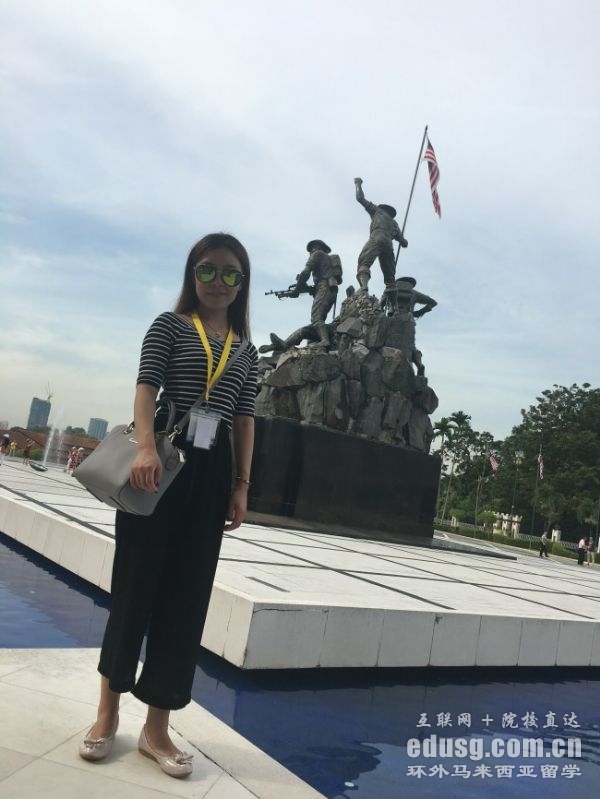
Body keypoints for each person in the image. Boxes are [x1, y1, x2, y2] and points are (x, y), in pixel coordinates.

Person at [79, 233, 258, 779]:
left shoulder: (247, 350)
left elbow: (244, 419)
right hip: (159, 462)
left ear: (242, 283)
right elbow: (146, 387)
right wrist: (145, 447)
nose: (218, 282)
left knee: (187, 598)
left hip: (211, 473)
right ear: (191, 273)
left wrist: (242, 483)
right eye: (208, 270)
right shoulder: (170, 326)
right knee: (134, 587)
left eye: (230, 273)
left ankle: (156, 729)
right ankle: (107, 714)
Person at [259, 239, 342, 352]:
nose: (310, 253)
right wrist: (306, 289)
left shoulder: (317, 254)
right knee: (313, 324)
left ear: (315, 248)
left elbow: (305, 272)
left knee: (316, 318)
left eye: (311, 250)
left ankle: (324, 341)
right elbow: (316, 286)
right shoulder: (326, 262)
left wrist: (297, 290)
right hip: (328, 288)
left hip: (324, 287)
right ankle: (284, 344)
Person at [354, 177, 408, 291]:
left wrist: (358, 183)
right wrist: (402, 240)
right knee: (390, 279)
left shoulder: (377, 211)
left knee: (363, 263)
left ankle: (364, 286)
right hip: (388, 245)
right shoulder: (395, 224)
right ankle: (392, 301)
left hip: (376, 238)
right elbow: (404, 243)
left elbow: (360, 198)